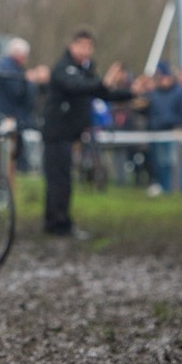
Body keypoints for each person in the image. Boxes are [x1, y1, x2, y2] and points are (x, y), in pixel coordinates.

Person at [41, 28, 133, 237]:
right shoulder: (63, 68)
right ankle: (58, 223)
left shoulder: (85, 69)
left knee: (63, 178)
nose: (85, 51)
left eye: (89, 47)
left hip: (69, 134)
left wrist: (131, 92)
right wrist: (103, 82)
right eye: (82, 46)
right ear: (72, 45)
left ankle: (57, 220)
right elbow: (77, 86)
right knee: (59, 179)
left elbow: (101, 92)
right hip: (57, 132)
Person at [0, 36, 49, 181]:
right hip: (8, 116)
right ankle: (7, 184)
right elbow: (17, 92)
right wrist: (29, 81)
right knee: (10, 157)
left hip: (9, 115)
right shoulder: (9, 69)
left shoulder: (9, 67)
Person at [143, 62, 182, 196]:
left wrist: (173, 122)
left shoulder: (179, 92)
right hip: (157, 132)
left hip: (172, 133)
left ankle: (173, 188)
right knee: (159, 162)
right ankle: (162, 186)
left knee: (172, 162)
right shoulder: (154, 93)